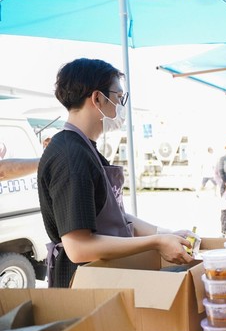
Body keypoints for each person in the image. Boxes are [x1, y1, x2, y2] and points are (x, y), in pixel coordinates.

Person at [37, 58, 195, 288]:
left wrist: (165, 233)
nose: (121, 106)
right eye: (119, 98)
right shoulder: (71, 156)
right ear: (97, 98)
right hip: (83, 282)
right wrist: (156, 242)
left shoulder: (85, 148)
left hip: (103, 276)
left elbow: (111, 215)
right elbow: (79, 247)